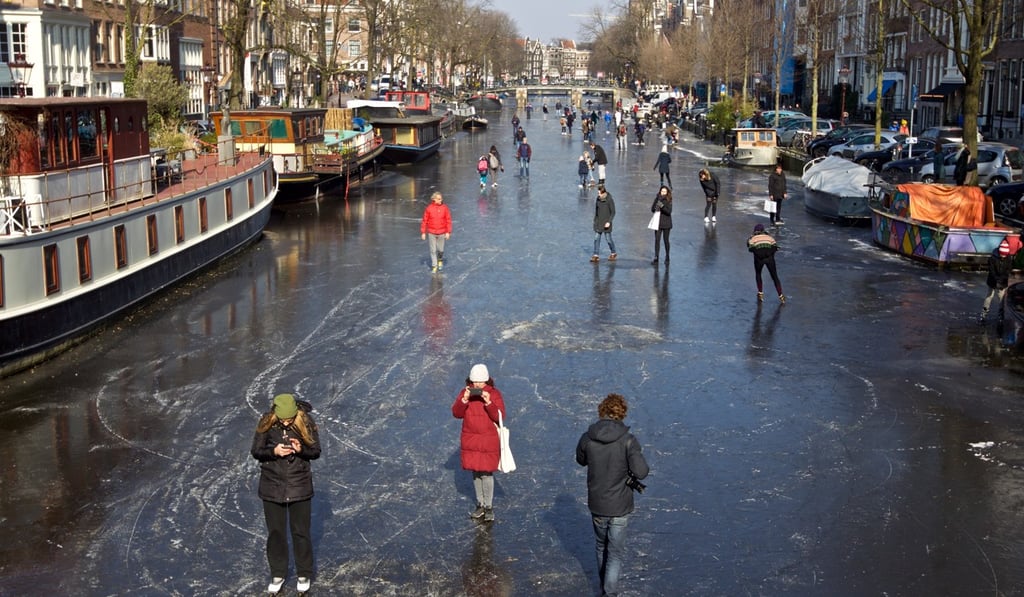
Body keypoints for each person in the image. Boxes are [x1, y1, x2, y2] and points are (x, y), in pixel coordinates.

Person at [575, 393, 650, 597]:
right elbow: (642, 471)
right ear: (621, 413)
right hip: (620, 506)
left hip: (597, 504)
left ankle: (603, 588)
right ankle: (610, 593)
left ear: (602, 411)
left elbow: (580, 460)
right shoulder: (628, 441)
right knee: (615, 553)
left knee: (601, 546)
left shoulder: (588, 437)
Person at [251, 394, 322, 595]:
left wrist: (301, 450)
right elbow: (256, 451)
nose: (286, 422)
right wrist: (274, 451)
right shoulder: (267, 422)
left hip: (299, 485)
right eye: (282, 419)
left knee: (301, 531)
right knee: (276, 533)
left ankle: (304, 573)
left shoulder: (305, 421)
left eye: (289, 419)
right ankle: (278, 573)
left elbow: (315, 451)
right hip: (272, 485)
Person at [452, 363, 507, 523]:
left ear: (486, 381)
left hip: (488, 440)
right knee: (476, 473)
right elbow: (456, 413)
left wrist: (489, 403)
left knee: (486, 473)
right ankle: (480, 504)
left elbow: (500, 416)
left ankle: (488, 506)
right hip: (471, 440)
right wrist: (463, 400)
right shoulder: (465, 393)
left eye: (481, 382)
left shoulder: (494, 394)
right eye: (475, 381)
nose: (477, 385)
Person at [747, 223, 785, 303]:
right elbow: (775, 247)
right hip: (770, 258)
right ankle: (781, 296)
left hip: (759, 259)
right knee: (775, 277)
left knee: (758, 274)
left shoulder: (752, 238)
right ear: (763, 230)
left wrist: (758, 252)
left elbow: (750, 248)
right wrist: (769, 254)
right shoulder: (770, 237)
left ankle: (760, 293)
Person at [981, 238, 1014, 323]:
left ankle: (1001, 314)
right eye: (1002, 255)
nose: (1003, 257)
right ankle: (984, 313)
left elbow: (1008, 269)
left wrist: (1001, 279)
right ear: (999, 252)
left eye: (1005, 255)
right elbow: (991, 270)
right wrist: (996, 279)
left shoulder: (1008, 258)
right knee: (989, 296)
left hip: (1003, 280)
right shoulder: (993, 258)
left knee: (1001, 297)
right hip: (992, 279)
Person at [420, 191, 452, 273]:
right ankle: (434, 265)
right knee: (433, 250)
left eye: (441, 199)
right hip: (432, 232)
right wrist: (423, 232)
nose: (441, 200)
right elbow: (425, 220)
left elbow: (448, 220)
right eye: (439, 199)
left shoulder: (445, 208)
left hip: (442, 232)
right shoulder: (429, 208)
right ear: (434, 199)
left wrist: (448, 232)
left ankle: (440, 260)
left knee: (440, 250)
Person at [591, 185, 617, 262]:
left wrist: (609, 222)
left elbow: (613, 212)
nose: (598, 195)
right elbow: (596, 211)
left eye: (599, 193)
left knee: (608, 239)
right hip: (599, 223)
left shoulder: (609, 200)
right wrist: (595, 221)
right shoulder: (598, 199)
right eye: (598, 193)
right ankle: (596, 255)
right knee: (596, 239)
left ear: (603, 193)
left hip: (606, 224)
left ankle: (613, 252)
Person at [650, 185, 673, 265]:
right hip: (658, 222)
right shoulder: (657, 199)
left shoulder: (669, 200)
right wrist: (656, 205)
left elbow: (669, 211)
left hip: (666, 223)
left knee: (666, 240)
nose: (663, 193)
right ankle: (656, 257)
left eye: (664, 192)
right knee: (657, 240)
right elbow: (652, 209)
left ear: (667, 193)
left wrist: (662, 206)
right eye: (662, 191)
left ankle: (667, 256)